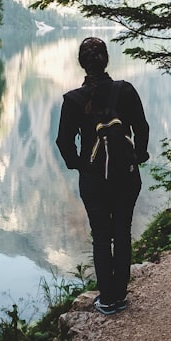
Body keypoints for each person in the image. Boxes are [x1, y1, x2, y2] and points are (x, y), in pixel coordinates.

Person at [56, 37, 150, 315]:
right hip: (126, 175)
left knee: (101, 236)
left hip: (93, 179)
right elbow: (142, 128)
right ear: (106, 60)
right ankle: (120, 294)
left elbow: (63, 142)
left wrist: (79, 165)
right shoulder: (125, 90)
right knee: (122, 232)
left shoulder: (73, 100)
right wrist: (138, 156)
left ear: (82, 64)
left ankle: (107, 298)